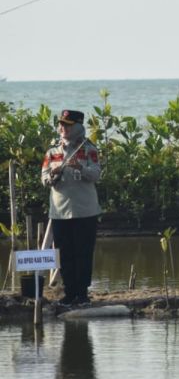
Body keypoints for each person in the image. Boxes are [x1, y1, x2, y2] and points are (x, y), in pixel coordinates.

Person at [41, 110, 101, 306]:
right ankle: (69, 293)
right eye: (61, 124)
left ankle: (82, 294)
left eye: (67, 125)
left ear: (78, 127)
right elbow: (44, 178)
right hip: (60, 211)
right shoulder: (52, 151)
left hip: (85, 211)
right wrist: (53, 174)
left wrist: (80, 168)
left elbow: (96, 174)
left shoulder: (89, 148)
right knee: (64, 254)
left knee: (83, 253)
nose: (63, 128)